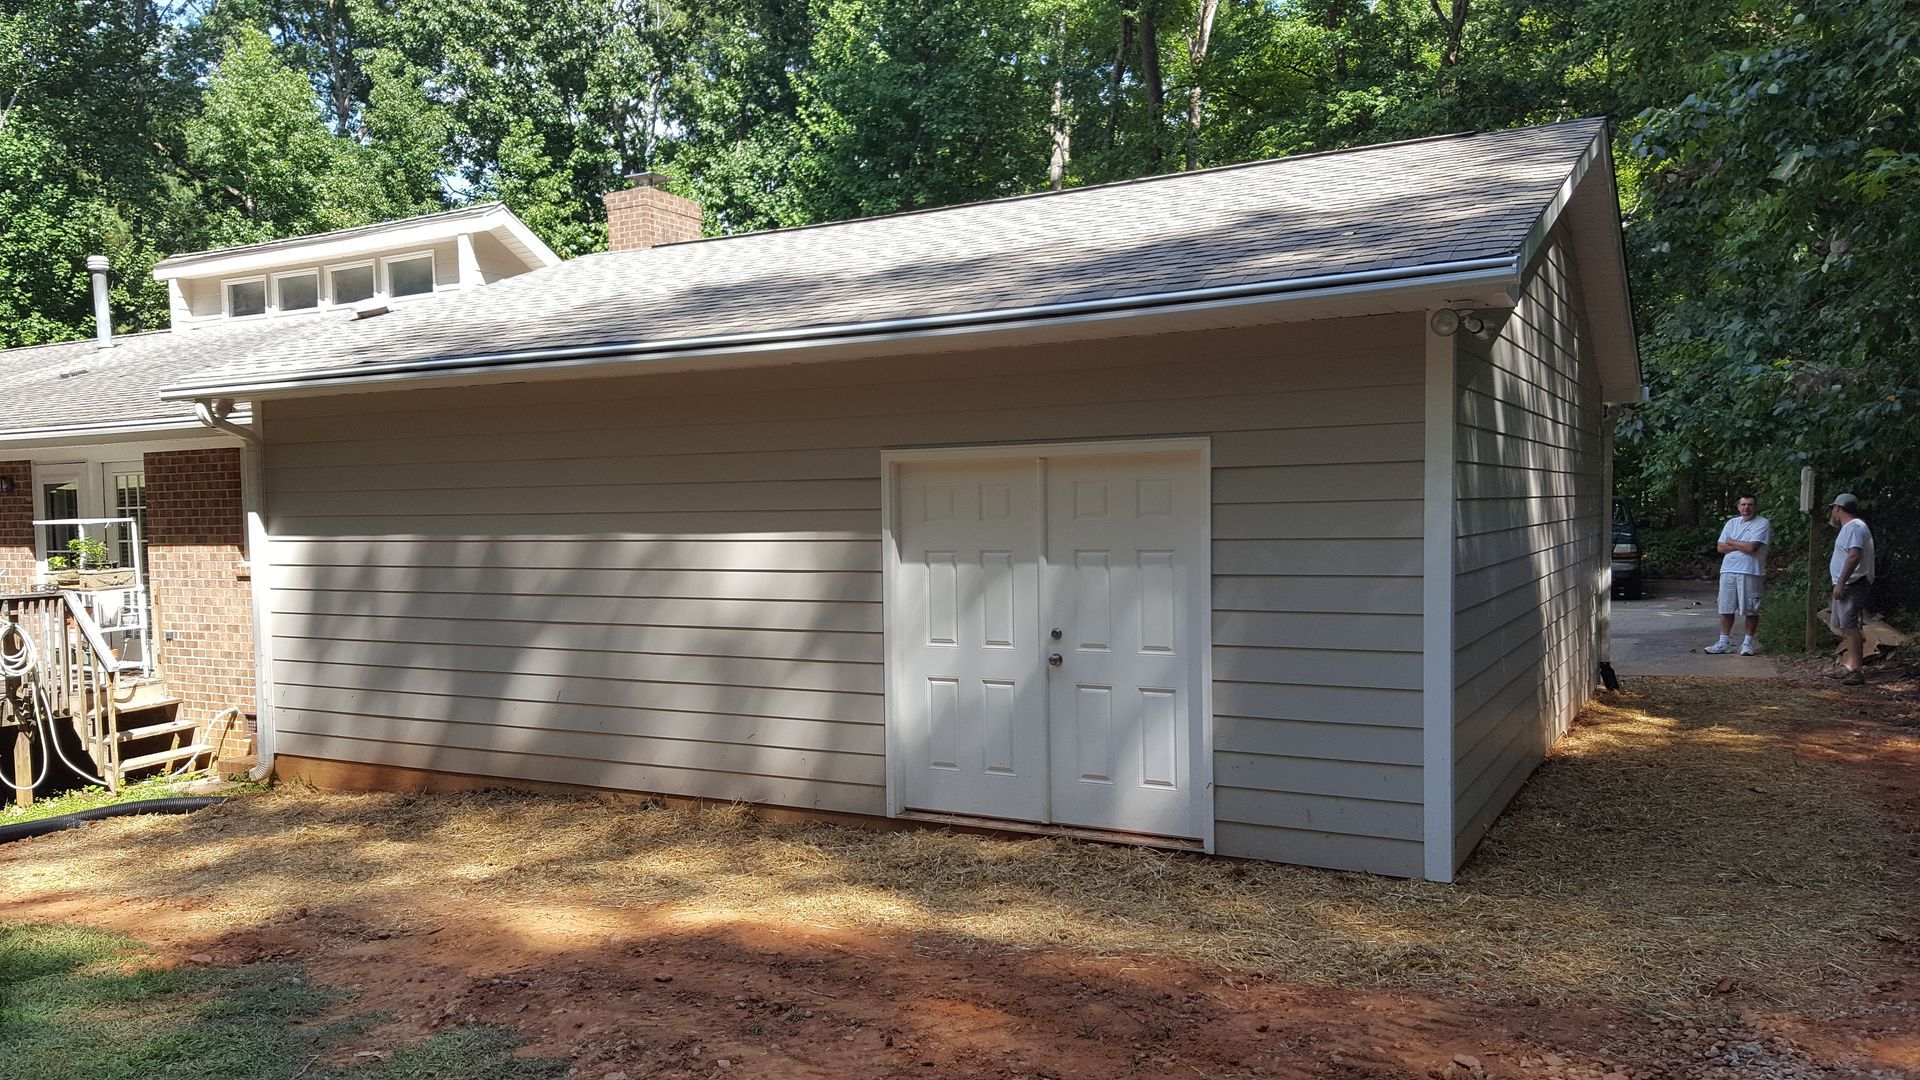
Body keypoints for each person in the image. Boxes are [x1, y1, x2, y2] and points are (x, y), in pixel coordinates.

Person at [1705, 494, 1770, 655]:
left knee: (1751, 609)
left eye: (1750, 505)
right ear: (1738, 507)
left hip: (1750, 571)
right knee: (1726, 608)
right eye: (1743, 504)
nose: (1746, 508)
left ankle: (1747, 643)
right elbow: (1720, 547)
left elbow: (1751, 548)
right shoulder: (1731, 523)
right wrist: (1741, 544)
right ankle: (1723, 641)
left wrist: (1731, 542)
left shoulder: (1762, 523)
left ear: (1755, 507)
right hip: (1728, 570)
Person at [1827, 493, 1876, 686]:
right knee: (1844, 625)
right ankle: (1850, 665)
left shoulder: (1854, 527)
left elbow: (1854, 556)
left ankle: (1856, 670)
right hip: (1848, 583)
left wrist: (1840, 583)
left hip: (1853, 584)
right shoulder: (1851, 527)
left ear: (1838, 509)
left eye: (1833, 509)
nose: (1832, 513)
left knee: (1849, 624)